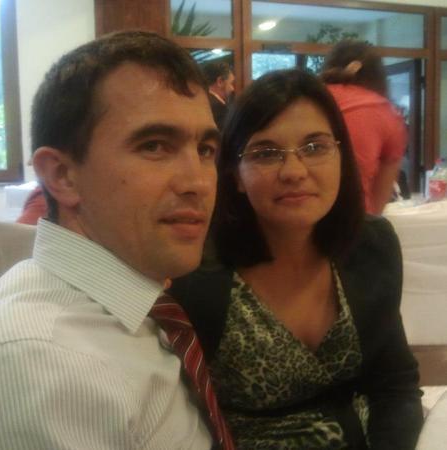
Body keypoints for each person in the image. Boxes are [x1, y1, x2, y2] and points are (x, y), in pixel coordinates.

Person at [170, 69, 423, 449]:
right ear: (235, 175)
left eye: (315, 147)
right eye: (265, 153)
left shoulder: (371, 245)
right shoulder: (198, 273)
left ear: (340, 155)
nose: (294, 171)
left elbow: (395, 385)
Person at [0, 31, 226, 449]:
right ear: (63, 176)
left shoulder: (138, 302)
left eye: (205, 149)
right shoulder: (48, 362)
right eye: (154, 146)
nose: (198, 182)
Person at [320, 40, 407, 214]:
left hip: (295, 218)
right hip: (351, 218)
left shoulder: (308, 98)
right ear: (378, 77)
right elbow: (378, 201)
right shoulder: (385, 112)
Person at [201, 61, 235, 130]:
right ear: (220, 82)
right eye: (231, 83)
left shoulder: (199, 101)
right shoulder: (219, 109)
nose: (232, 89)